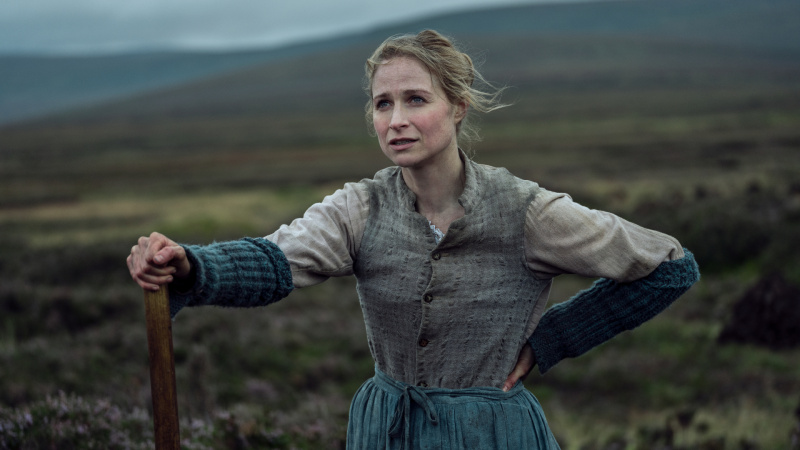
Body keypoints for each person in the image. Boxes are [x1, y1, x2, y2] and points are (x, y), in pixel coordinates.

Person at [128, 30, 699, 449]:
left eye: (415, 99)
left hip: (492, 436)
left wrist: (554, 338)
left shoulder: (528, 212)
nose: (396, 118)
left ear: (457, 107)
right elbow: (277, 260)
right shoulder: (361, 206)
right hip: (385, 431)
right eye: (383, 103)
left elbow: (669, 266)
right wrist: (192, 267)